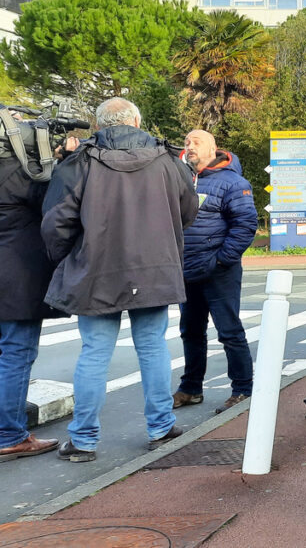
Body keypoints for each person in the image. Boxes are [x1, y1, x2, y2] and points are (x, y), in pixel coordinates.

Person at [41, 98, 199, 462]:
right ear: (137, 121)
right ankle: (161, 427)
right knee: (153, 347)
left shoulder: (81, 161)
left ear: (99, 126)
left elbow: (56, 220)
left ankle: (83, 440)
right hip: (154, 268)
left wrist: (68, 256)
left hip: (95, 269)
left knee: (94, 353)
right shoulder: (166, 160)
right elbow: (189, 209)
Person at [173, 130, 258, 414]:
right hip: (186, 270)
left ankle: (243, 390)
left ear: (213, 149)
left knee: (229, 331)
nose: (190, 146)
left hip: (219, 271)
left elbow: (245, 225)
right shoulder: (178, 179)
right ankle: (191, 389)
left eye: (196, 142)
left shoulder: (233, 182)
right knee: (190, 332)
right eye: (187, 142)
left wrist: (222, 260)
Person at [0, 114, 69, 462]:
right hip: (17, 279)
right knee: (16, 354)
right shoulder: (23, 172)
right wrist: (61, 161)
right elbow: (55, 208)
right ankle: (10, 435)